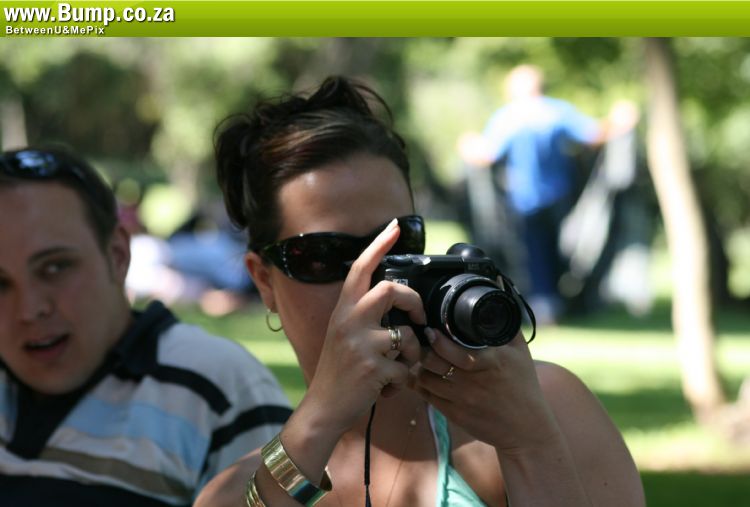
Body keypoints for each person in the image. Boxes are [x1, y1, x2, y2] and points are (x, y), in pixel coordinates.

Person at [194, 76, 645, 507]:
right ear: (264, 280)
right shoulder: (234, 492)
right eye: (323, 255)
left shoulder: (543, 409)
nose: (370, 280)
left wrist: (529, 445)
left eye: (397, 245)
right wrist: (320, 420)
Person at [0, 147, 292, 506]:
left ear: (118, 255)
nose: (29, 309)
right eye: (0, 283)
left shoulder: (218, 390)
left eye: (55, 267)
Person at [458, 64, 638, 324]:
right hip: (561, 199)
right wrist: (619, 120)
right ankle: (557, 302)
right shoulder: (558, 111)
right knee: (558, 252)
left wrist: (467, 144)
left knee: (533, 253)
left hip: (524, 201)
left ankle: (545, 305)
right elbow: (595, 134)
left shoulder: (509, 116)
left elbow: (486, 154)